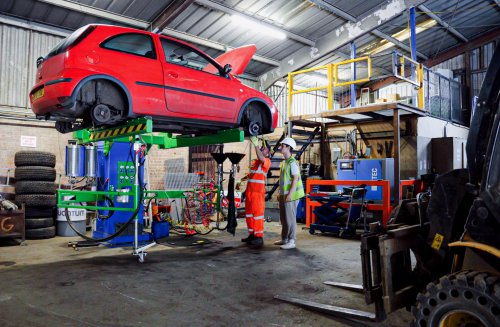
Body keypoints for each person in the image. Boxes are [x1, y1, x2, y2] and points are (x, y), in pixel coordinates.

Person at [240, 136, 271, 249]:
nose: (262, 148)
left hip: (258, 194)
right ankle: (252, 235)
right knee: (249, 215)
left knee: (257, 215)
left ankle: (259, 237)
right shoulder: (255, 162)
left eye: (264, 148)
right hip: (250, 193)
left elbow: (261, 157)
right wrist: (243, 187)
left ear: (268, 151)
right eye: (261, 147)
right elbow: (251, 177)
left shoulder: (266, 161)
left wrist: (256, 145)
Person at [275, 137, 304, 250]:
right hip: (284, 195)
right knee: (283, 218)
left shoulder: (292, 162)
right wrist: (280, 193)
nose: (281, 147)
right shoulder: (285, 163)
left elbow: (295, 179)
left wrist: (290, 194)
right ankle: (285, 238)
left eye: (283, 145)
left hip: (291, 195)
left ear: (288, 148)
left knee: (290, 218)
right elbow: (283, 181)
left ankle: (292, 240)